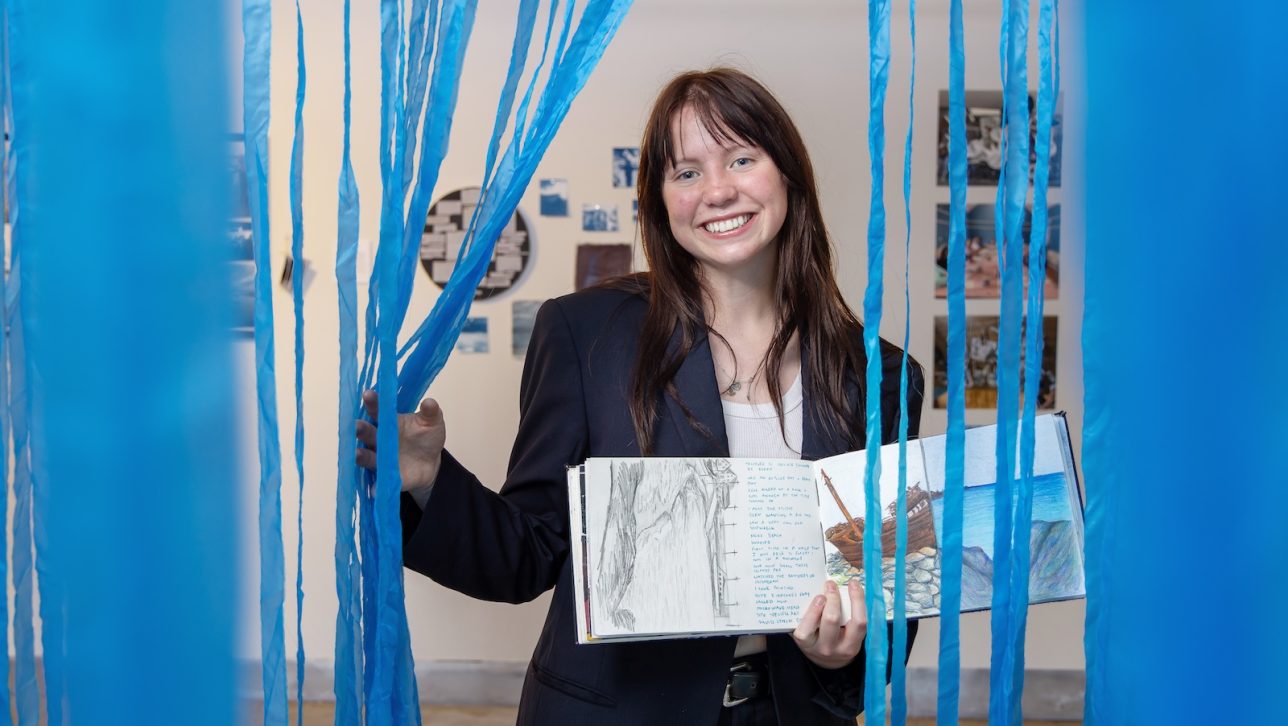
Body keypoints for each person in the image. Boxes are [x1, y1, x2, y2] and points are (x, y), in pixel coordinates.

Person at [356, 67, 925, 726]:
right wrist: (427, 481)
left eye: (742, 158)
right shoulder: (586, 335)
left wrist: (841, 657)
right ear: (659, 201)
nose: (717, 190)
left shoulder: (880, 376)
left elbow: (889, 597)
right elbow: (527, 556)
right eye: (686, 173)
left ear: (788, 178)